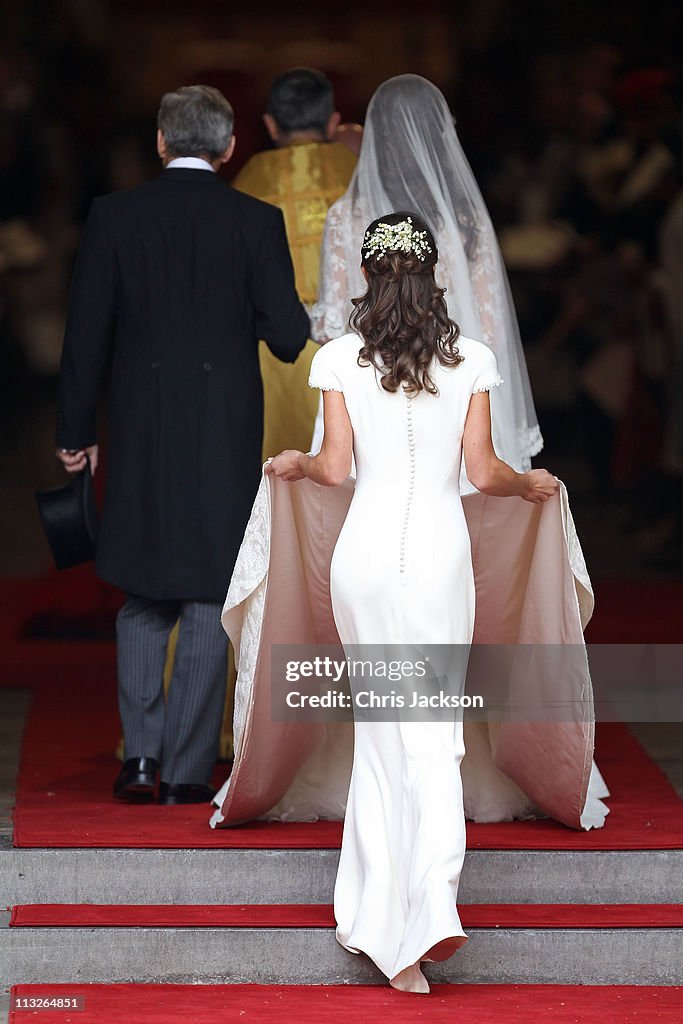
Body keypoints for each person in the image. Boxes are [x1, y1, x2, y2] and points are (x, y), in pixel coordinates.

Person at [263, 213, 559, 992]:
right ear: (434, 277)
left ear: (365, 274)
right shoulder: (470, 359)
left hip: (362, 564)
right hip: (435, 561)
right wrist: (530, 483)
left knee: (383, 732)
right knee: (431, 735)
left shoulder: (335, 358)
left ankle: (377, 916)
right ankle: (422, 919)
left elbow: (332, 469)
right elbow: (486, 473)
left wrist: (294, 460)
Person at [56, 85, 309, 805]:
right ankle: (189, 770)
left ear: (162, 143)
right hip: (223, 428)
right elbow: (288, 336)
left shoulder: (114, 216)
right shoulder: (256, 221)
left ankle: (138, 759)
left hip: (139, 425)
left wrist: (75, 436)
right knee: (205, 592)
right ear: (230, 149)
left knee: (141, 590)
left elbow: (86, 338)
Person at [310, 74, 543, 477]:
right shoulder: (467, 223)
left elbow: (333, 326)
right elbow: (491, 329)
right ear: (441, 137)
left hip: (370, 398)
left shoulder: (345, 217)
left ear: (376, 139)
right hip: (455, 394)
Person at [233, 68, 357, 456]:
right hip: (355, 348)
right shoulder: (361, 174)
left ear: (270, 125)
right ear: (334, 122)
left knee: (281, 475)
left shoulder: (248, 183)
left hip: (272, 355)